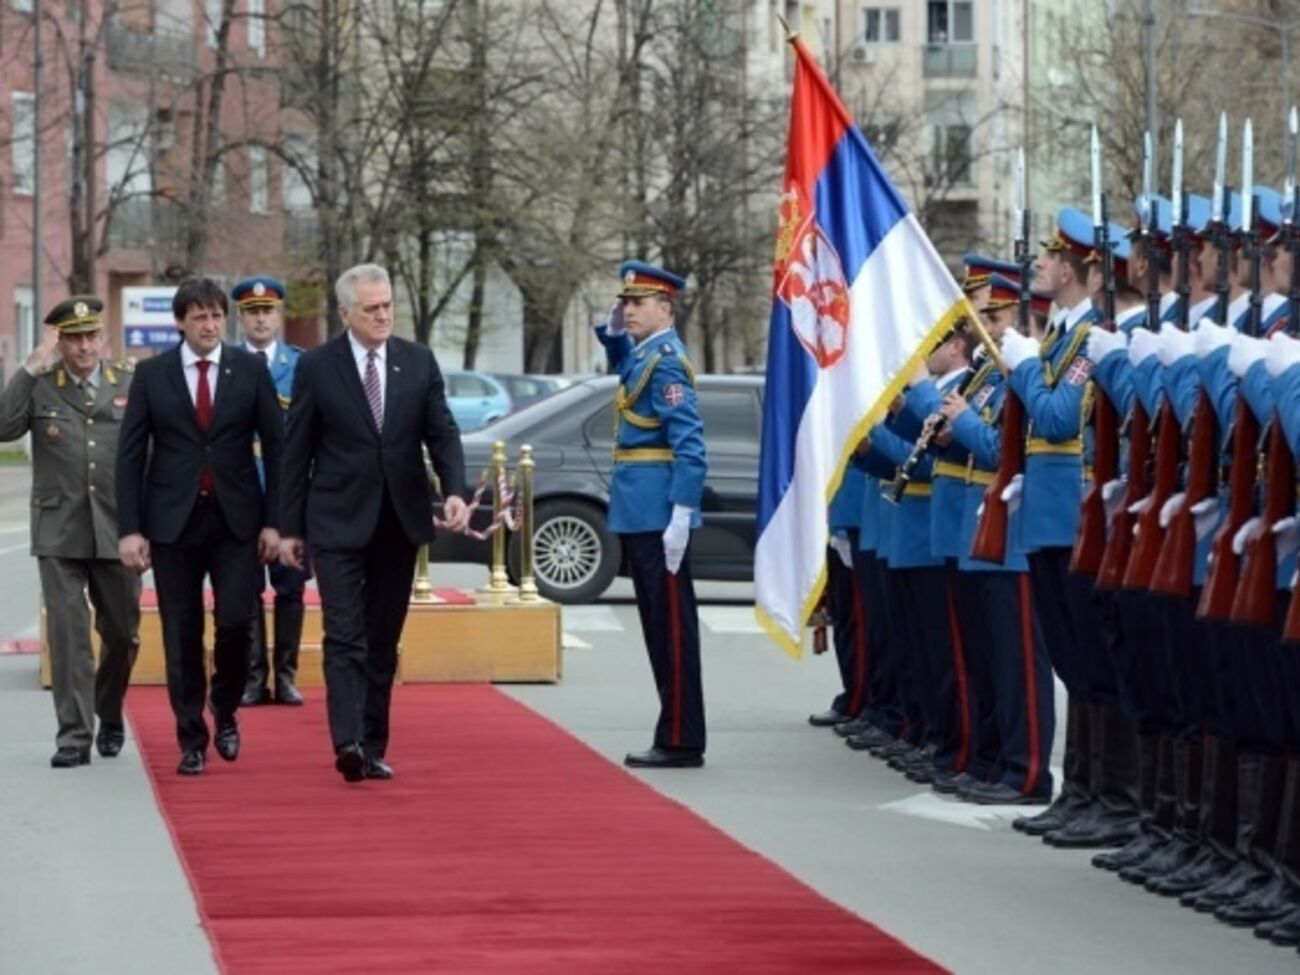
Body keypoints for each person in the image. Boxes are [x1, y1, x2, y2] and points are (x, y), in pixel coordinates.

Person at [279, 264, 469, 783]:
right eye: (371, 309)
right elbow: (296, 451)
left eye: (387, 306)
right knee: (345, 633)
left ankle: (371, 743)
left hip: (398, 521)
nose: (383, 316)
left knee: (382, 638)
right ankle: (346, 741)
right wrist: (289, 528)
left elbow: (442, 432)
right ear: (346, 313)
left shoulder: (417, 361)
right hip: (337, 520)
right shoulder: (318, 367)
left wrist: (454, 490)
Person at [116, 278, 284, 776]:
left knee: (235, 622)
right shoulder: (153, 375)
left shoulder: (249, 370)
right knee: (181, 632)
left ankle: (225, 708)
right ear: (181, 322)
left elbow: (279, 450)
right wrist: (130, 528)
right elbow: (130, 456)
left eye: (216, 316)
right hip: (174, 523)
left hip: (237, 521)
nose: (210, 326)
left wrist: (275, 522)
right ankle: (191, 737)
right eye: (200, 317)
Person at [0, 296, 141, 767]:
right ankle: (74, 736)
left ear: (103, 338)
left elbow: (153, 452)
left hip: (117, 527)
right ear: (59, 342)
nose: (84, 347)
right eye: (73, 338)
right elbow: (3, 427)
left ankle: (109, 710)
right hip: (59, 530)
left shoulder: (129, 383)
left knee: (123, 634)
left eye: (90, 336)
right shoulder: (41, 385)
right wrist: (29, 366)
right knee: (68, 634)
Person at [594, 260, 708, 769]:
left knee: (672, 630)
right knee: (659, 629)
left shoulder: (667, 363)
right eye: (626, 303)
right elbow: (625, 369)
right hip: (641, 510)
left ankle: (681, 738)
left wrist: (682, 513)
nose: (629, 310)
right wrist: (613, 334)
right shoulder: (646, 355)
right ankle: (675, 730)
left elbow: (690, 445)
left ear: (666, 309)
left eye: (638, 303)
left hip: (659, 512)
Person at [232, 276, 309, 707]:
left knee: (290, 587)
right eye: (252, 312)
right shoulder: (228, 363)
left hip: (289, 493)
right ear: (241, 318)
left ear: (278, 316)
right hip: (242, 493)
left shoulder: (300, 366)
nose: (260, 319)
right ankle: (253, 677)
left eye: (267, 311)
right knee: (245, 590)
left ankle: (287, 675)